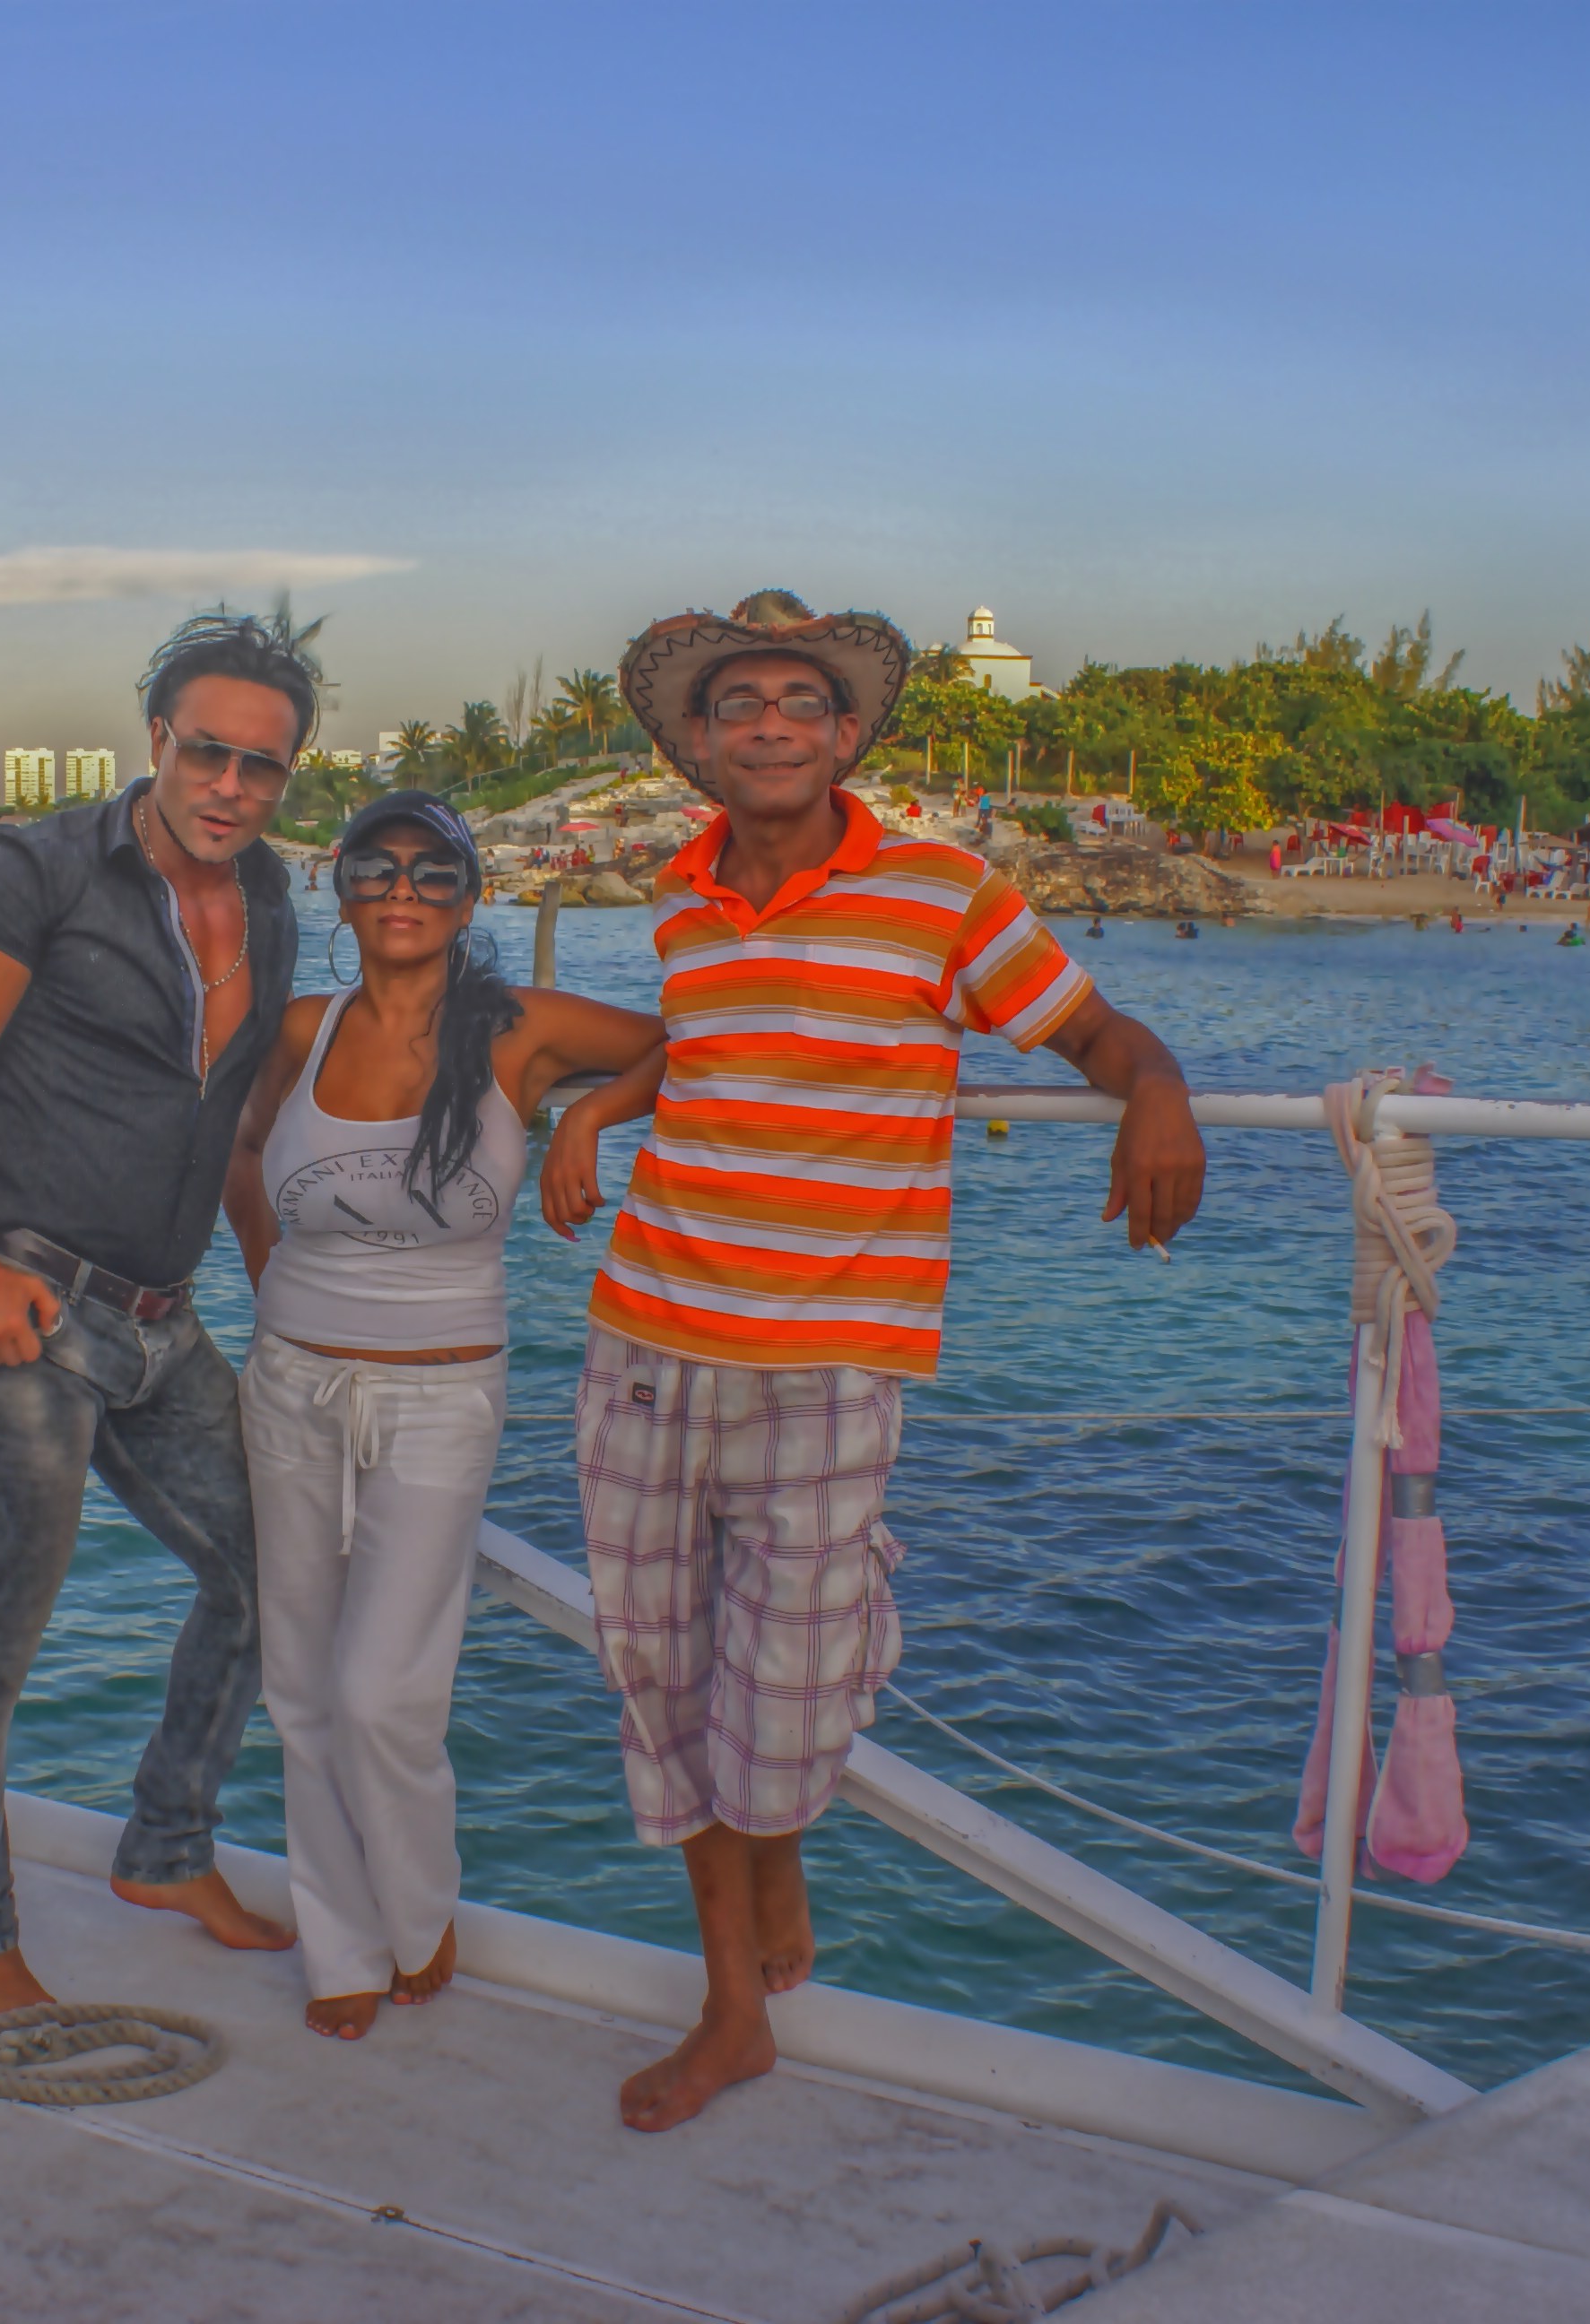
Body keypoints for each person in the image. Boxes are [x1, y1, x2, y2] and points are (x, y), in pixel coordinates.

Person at [549, 594, 1203, 2134]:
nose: (771, 724)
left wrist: (1162, 1093)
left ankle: (778, 1859)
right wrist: (600, 1104)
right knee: (660, 1676)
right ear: (701, 743)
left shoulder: (942, 890)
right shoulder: (681, 900)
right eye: (740, 704)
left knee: (782, 1688)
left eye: (800, 701)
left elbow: (1091, 1033)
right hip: (644, 1337)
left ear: (845, 736)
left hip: (832, 1361)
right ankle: (731, 2008)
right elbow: (707, 1042)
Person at [0, 611, 313, 2024]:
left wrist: (284, 1297)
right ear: (158, 738)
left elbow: (240, 1125)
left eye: (261, 765)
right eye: (208, 752)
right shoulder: (44, 869)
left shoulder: (274, 898)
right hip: (25, 1305)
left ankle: (167, 1847)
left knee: (273, 1572)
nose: (229, 786)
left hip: (163, 1323)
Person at [223, 793, 658, 2041]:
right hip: (291, 1383)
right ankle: (341, 1945)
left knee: (380, 1691)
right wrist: (272, 1289)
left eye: (433, 871)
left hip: (441, 1395)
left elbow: (688, 1042)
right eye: (377, 867)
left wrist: (588, 1116)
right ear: (343, 890)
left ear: (470, 898)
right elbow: (243, 1156)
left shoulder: (519, 1028)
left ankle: (420, 1911)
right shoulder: (299, 1028)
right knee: (300, 1684)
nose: (402, 889)